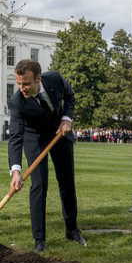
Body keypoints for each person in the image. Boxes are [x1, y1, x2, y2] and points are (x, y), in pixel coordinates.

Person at [8, 59, 86, 252]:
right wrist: (16, 170)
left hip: (60, 133)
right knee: (39, 185)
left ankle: (72, 230)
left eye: (26, 83)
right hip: (34, 138)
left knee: (67, 182)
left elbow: (70, 96)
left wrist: (66, 119)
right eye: (19, 83)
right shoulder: (17, 102)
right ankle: (39, 239)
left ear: (38, 78)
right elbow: (16, 137)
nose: (22, 88)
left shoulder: (55, 79)